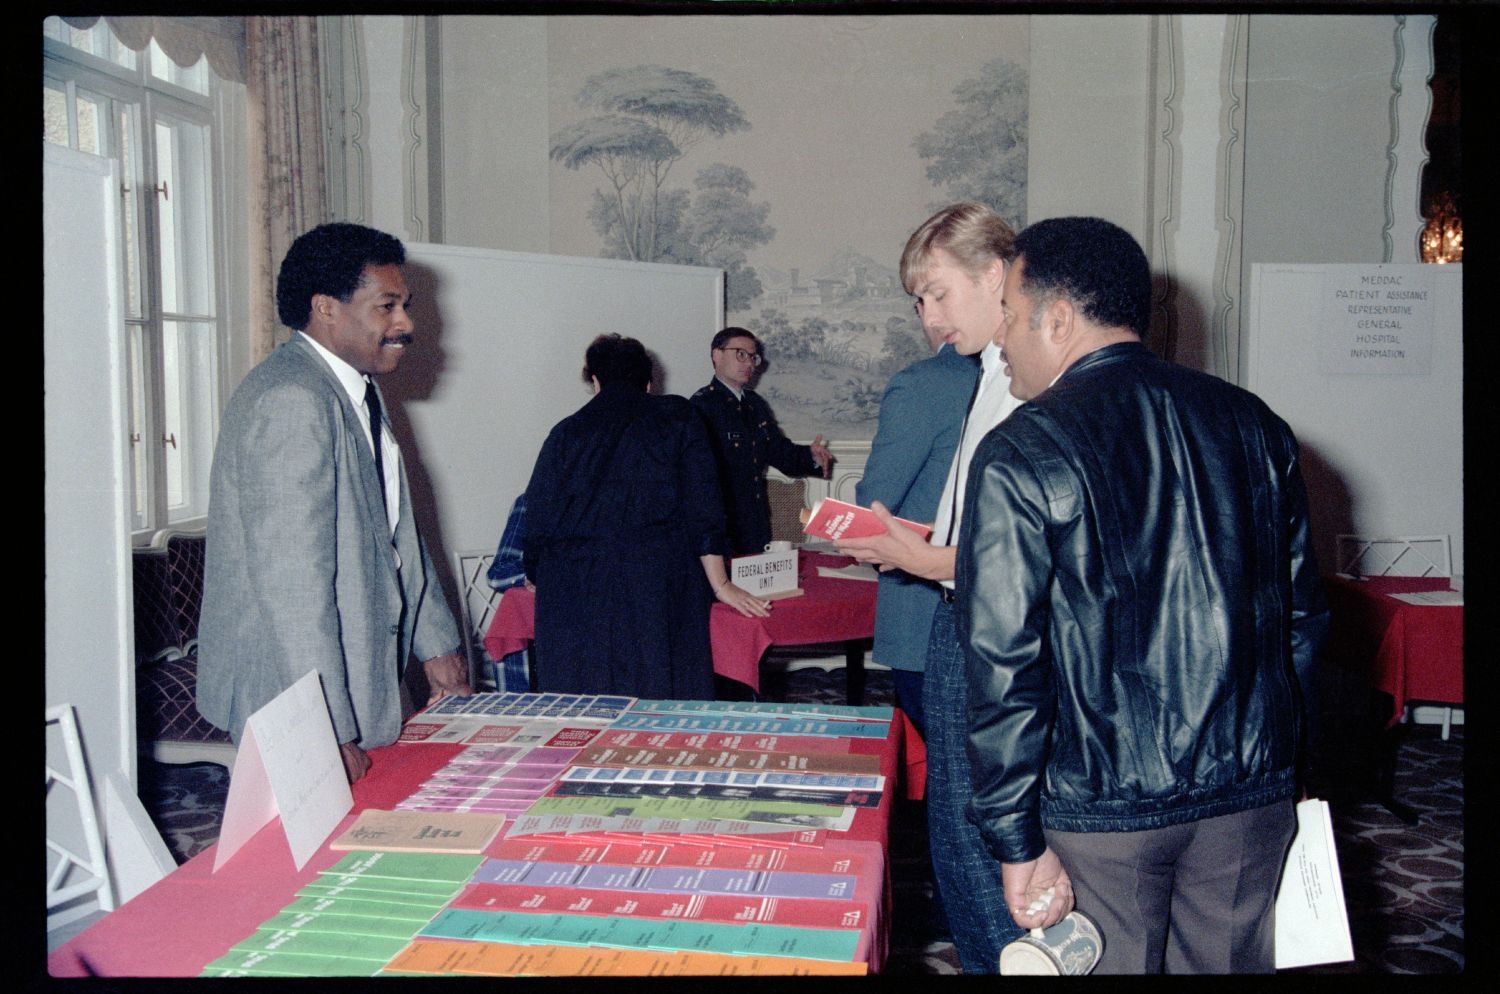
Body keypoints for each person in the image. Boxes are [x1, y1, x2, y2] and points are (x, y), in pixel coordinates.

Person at [958, 216, 1330, 973]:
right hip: (1248, 794)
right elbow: (1303, 624)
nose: (1000, 337)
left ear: (1056, 319)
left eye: (1010, 314)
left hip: (1100, 809)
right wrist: (1276, 766)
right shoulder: (1255, 425)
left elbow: (1004, 669)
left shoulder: (1024, 448)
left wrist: (1014, 841)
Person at [198, 222, 471, 785]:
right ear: (326, 308)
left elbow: (396, 533)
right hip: (291, 695)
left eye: (405, 305)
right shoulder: (292, 401)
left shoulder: (355, 389)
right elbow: (294, 589)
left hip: (352, 678)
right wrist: (322, 726)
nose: (406, 324)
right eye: (386, 307)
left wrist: (437, 645)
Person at [832, 201, 1025, 973]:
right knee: (969, 820)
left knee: (974, 823)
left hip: (962, 624)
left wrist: (903, 551)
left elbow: (988, 543)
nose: (928, 317)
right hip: (961, 614)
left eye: (937, 293)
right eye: (918, 301)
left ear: (995, 276)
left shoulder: (988, 378)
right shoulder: (988, 375)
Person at [523, 334, 770, 700]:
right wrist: (721, 585)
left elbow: (537, 517)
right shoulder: (678, 416)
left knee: (583, 699)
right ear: (649, 381)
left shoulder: (565, 432)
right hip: (655, 583)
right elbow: (704, 508)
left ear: (594, 381)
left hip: (574, 584)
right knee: (661, 697)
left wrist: (535, 574)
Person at [854, 323, 979, 739]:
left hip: (923, 612)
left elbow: (876, 504)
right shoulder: (1036, 373)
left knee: (941, 765)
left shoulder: (923, 384)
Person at [690, 327, 834, 556]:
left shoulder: (755, 404)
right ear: (717, 355)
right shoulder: (702, 407)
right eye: (740, 354)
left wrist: (811, 457)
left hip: (754, 522)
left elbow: (778, 451)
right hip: (720, 525)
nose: (749, 363)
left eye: (753, 357)